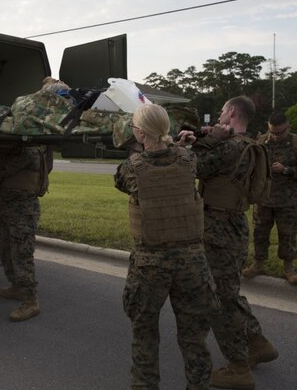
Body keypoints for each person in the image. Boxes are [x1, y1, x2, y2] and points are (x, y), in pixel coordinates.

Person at [115, 104, 219, 390]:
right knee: (194, 339)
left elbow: (121, 181)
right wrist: (175, 144)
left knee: (144, 334)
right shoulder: (189, 160)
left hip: (150, 265)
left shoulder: (130, 168)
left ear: (138, 132)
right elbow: (179, 159)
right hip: (193, 264)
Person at [179, 96, 278, 390]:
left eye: (222, 111)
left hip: (219, 229)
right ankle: (257, 342)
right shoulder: (244, 143)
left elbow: (192, 167)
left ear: (232, 111)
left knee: (219, 299)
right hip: (230, 226)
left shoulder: (232, 147)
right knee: (229, 293)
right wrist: (209, 138)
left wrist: (190, 143)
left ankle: (238, 367)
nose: (220, 116)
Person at [243, 111, 297, 285]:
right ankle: (258, 263)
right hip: (263, 200)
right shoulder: (260, 142)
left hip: (288, 200)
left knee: (288, 235)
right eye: (272, 132)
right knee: (260, 233)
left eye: (279, 133)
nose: (275, 136)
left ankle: (289, 267)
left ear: (288, 127)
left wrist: (286, 170)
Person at [0, 142, 49, 322]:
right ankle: (16, 286)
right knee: (4, 248)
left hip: (23, 209)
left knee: (22, 253)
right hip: (7, 206)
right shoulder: (14, 149)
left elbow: (3, 168)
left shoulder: (30, 151)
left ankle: (30, 301)